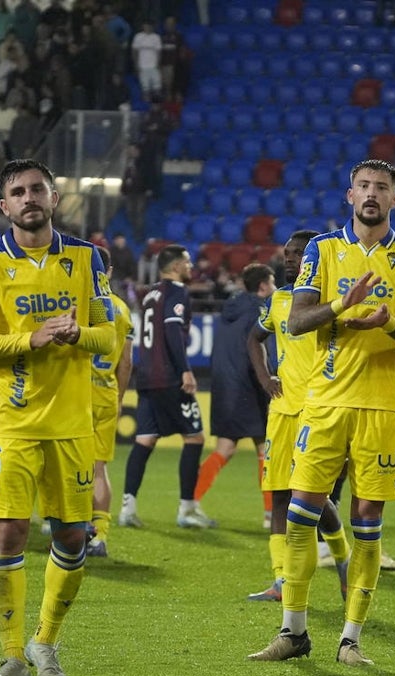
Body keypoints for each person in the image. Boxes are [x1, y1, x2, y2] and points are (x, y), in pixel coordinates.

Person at [247, 159, 395, 666]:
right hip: (324, 404)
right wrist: (339, 306)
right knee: (300, 513)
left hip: (380, 405)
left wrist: (388, 323)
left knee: (367, 522)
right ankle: (293, 631)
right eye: (364, 186)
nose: (372, 194)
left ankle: (351, 639)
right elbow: (298, 320)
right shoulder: (321, 250)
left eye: (382, 188)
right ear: (349, 195)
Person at [0, 158, 117, 676]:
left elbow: (108, 336)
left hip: (71, 424)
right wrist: (30, 340)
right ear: (5, 207)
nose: (29, 198)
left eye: (38, 190)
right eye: (18, 192)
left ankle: (45, 641)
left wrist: (76, 335)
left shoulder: (86, 259)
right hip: (9, 423)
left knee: (73, 537)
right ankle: (12, 656)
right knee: (8, 533)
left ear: (53, 198)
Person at [246, 230, 353, 602]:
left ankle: (342, 558)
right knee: (278, 495)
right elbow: (253, 339)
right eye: (288, 253)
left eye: (298, 254)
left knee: (313, 496)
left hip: (320, 409)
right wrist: (264, 378)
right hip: (282, 411)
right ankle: (280, 581)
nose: (290, 259)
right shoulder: (277, 300)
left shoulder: (329, 302)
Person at [119, 244, 215, 530]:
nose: (191, 266)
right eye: (186, 262)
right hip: (169, 377)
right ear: (174, 266)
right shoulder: (177, 293)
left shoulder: (150, 294)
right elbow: (173, 332)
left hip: (147, 376)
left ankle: (127, 507)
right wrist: (185, 371)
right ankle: (187, 509)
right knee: (195, 438)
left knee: (145, 440)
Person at [194, 263, 275, 524]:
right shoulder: (260, 311)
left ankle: (189, 503)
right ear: (263, 286)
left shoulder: (229, 308)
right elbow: (262, 350)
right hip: (249, 385)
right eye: (272, 283)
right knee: (266, 448)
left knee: (225, 448)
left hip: (225, 386)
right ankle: (270, 513)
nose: (274, 289)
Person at [86, 248, 134, 558]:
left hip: (78, 395)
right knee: (99, 467)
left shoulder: (83, 304)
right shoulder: (122, 309)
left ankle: (71, 529)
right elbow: (127, 362)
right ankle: (99, 536)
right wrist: (118, 399)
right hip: (107, 393)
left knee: (70, 466)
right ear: (110, 272)